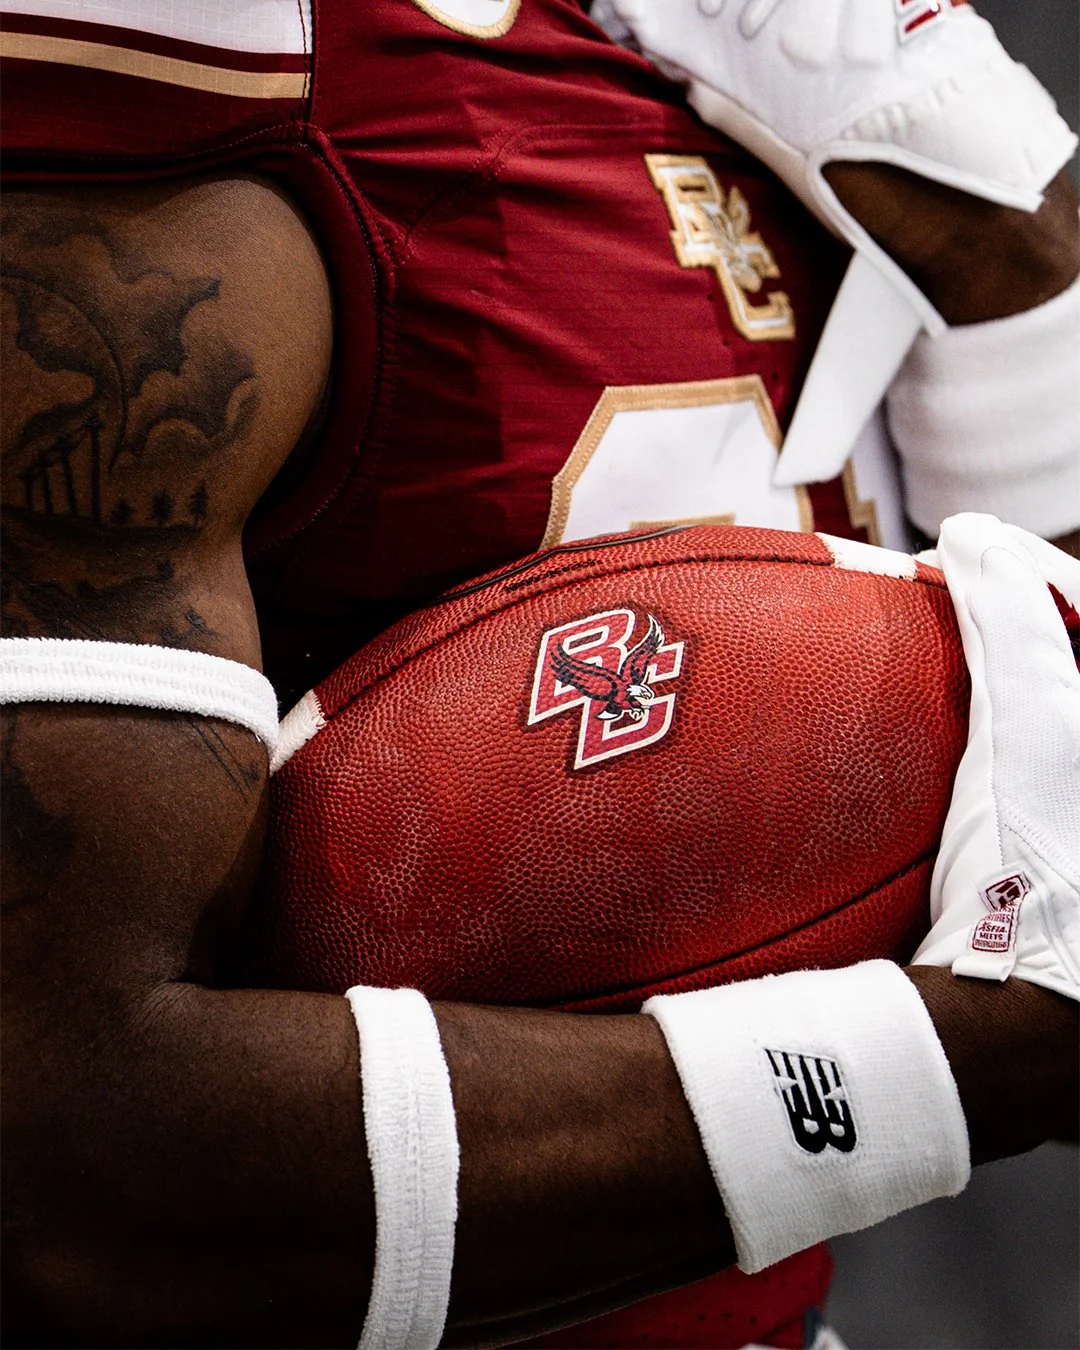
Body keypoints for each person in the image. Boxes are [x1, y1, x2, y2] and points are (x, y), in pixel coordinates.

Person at [1, 2, 1077, 1347]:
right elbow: (72, 1170)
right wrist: (947, 1065)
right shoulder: (197, 87)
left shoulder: (751, 54)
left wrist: (1023, 278)